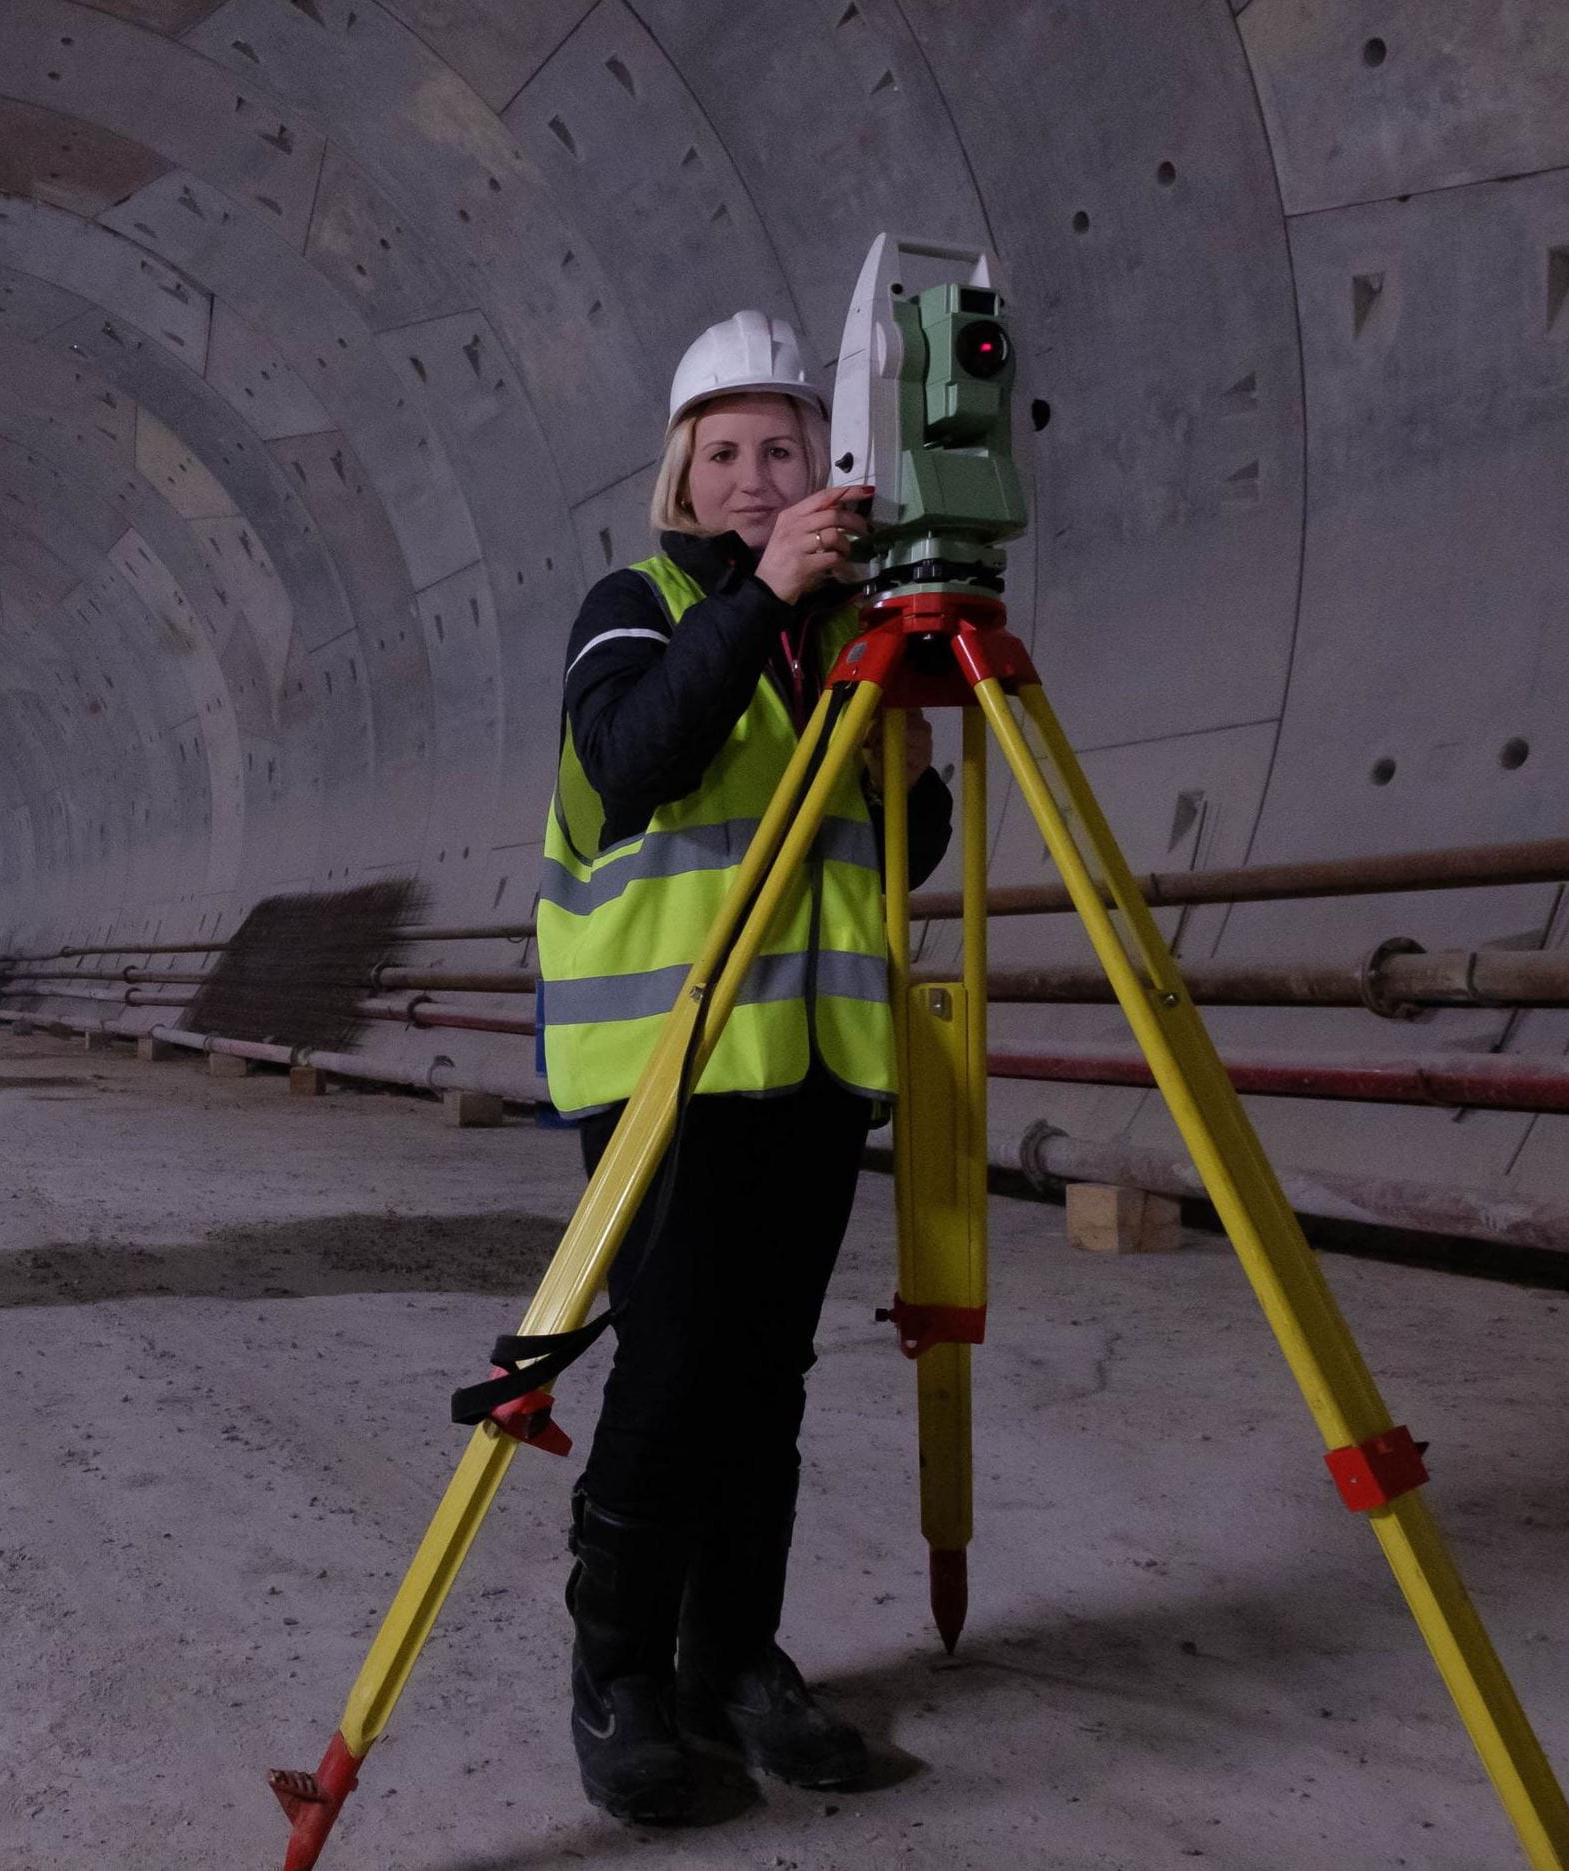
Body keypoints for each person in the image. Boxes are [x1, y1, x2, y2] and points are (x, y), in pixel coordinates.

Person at [535, 310, 953, 1824]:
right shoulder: (633, 606)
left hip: (813, 1067)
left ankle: (735, 1657)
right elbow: (633, 760)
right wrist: (760, 600)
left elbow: (905, 851)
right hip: (666, 1066)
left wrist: (903, 744)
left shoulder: (848, 644)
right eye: (724, 453)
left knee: (763, 1379)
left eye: (783, 449)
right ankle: (621, 1676)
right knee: (671, 1371)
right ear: (679, 475)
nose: (756, 476)